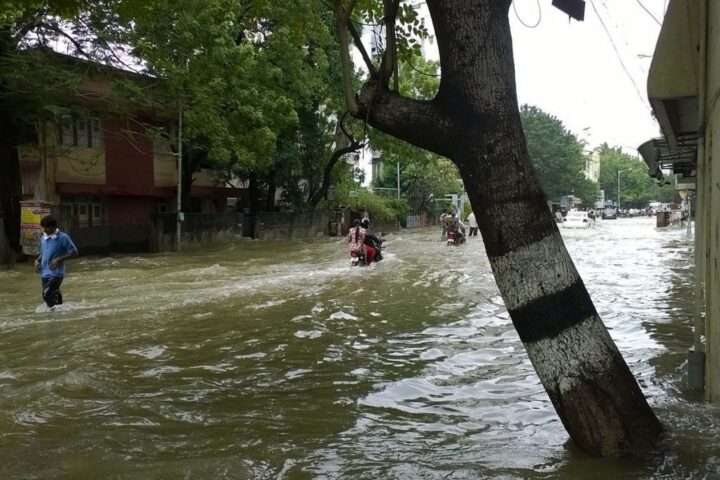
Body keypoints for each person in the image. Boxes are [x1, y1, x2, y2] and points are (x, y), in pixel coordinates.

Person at [34, 214, 78, 309]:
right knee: (55, 295)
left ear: (54, 227)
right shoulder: (43, 238)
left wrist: (59, 259)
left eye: (46, 228)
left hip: (56, 273)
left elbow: (74, 252)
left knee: (46, 295)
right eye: (43, 228)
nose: (44, 230)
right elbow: (43, 253)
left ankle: (52, 313)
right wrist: (37, 261)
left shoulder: (63, 238)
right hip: (44, 273)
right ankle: (59, 314)